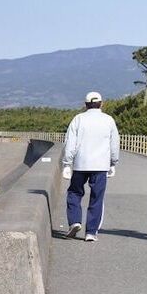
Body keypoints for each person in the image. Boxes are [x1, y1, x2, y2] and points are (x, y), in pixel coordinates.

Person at [61, 91, 120, 242]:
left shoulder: (78, 119)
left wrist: (67, 163)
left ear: (85, 104)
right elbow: (114, 144)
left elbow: (70, 143)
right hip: (101, 165)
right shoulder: (108, 120)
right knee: (97, 197)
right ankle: (91, 232)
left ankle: (75, 221)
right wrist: (113, 163)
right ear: (101, 103)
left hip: (81, 163)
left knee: (74, 192)